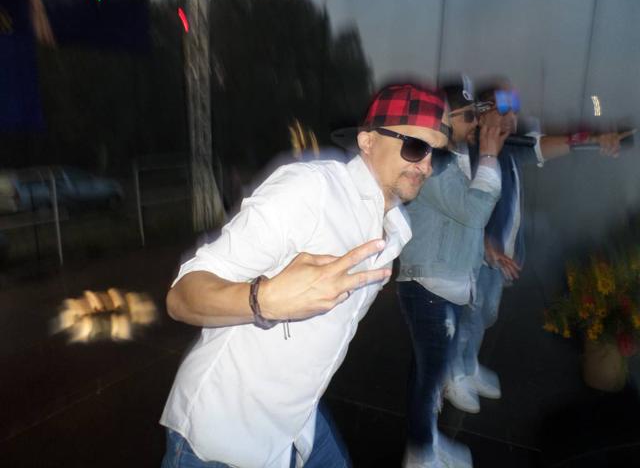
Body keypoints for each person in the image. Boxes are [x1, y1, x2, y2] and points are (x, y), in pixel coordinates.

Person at [160, 83, 449, 468]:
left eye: (436, 153)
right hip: (221, 430)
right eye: (415, 146)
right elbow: (182, 296)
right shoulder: (312, 191)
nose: (426, 166)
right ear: (367, 141)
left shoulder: (395, 229)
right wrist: (263, 300)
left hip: (297, 419)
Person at [446, 80, 632, 413]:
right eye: (502, 110)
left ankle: (468, 364)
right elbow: (459, 210)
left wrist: (595, 139)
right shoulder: (466, 154)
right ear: (481, 114)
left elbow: (549, 145)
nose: (510, 118)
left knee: (483, 315)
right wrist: (486, 245)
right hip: (473, 260)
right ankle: (452, 373)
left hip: (499, 260)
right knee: (467, 316)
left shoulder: (510, 147)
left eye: (514, 111)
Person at [396, 79, 509, 468]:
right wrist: (490, 155)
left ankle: (425, 440)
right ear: (443, 119)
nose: (476, 123)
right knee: (430, 378)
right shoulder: (436, 162)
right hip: (429, 286)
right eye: (468, 116)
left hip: (444, 284)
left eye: (476, 114)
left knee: (430, 373)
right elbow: (475, 211)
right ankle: (420, 454)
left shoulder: (456, 155)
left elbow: (466, 220)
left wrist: (484, 251)